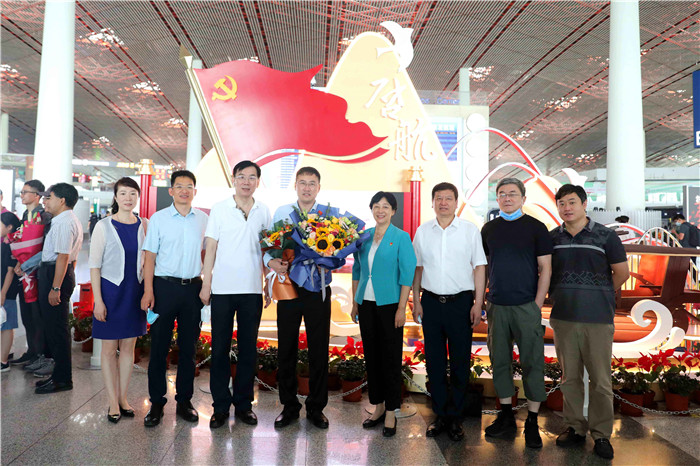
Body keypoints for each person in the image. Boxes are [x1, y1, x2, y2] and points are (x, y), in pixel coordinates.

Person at [550, 184, 629, 460]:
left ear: (584, 204)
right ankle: (575, 428)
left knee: (600, 380)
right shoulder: (552, 238)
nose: (567, 208)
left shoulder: (606, 236)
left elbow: (621, 273)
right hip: (563, 317)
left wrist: (600, 293)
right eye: (562, 203)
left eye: (572, 202)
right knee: (569, 377)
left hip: (597, 318)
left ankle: (601, 434)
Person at [479, 178, 552, 449]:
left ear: (523, 198)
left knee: (533, 362)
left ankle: (532, 420)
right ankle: (507, 416)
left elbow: (545, 268)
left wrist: (536, 304)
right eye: (502, 194)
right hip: (497, 305)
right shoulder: (489, 229)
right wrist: (481, 300)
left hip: (526, 306)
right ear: (497, 199)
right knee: (500, 361)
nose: (507, 198)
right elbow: (483, 267)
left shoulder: (536, 228)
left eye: (512, 193)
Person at [411, 182, 487, 441]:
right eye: (439, 198)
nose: (443, 203)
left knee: (459, 362)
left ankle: (455, 418)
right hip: (431, 302)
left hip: (461, 303)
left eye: (448, 198)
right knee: (434, 362)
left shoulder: (469, 230)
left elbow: (479, 267)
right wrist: (416, 300)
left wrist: (478, 303)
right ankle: (440, 414)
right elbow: (417, 268)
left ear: (456, 202)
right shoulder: (423, 231)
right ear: (432, 202)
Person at [265, 166, 339, 429]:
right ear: (295, 185)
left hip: (318, 287)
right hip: (289, 285)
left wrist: (329, 258)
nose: (307, 187)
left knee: (319, 347)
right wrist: (272, 261)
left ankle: (316, 408)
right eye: (303, 182)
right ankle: (289, 406)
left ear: (319, 187)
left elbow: (337, 250)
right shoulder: (282, 212)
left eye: (312, 183)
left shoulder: (328, 216)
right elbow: (269, 245)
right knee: (286, 347)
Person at [200, 161, 271, 429]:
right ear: (234, 179)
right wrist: (206, 283)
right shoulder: (220, 209)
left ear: (258, 182)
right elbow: (211, 247)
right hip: (223, 290)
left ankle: (243, 405)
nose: (246, 182)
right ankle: (220, 407)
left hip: (251, 290)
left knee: (248, 349)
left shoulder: (264, 211)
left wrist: (267, 282)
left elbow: (268, 249)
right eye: (242, 176)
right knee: (219, 348)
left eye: (252, 177)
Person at [141, 170, 208, 427]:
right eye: (179, 186)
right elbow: (149, 257)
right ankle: (156, 403)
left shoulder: (203, 220)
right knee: (159, 348)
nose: (184, 191)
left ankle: (184, 401)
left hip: (192, 289)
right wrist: (148, 291)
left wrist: (207, 283)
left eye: (189, 186)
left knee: (188, 349)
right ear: (171, 191)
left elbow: (208, 254)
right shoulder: (159, 219)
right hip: (164, 288)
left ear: (195, 191)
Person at [351, 192, 416, 437]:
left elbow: (407, 274)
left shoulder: (401, 237)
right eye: (376, 206)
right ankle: (377, 406)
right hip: (365, 303)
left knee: (390, 357)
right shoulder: (364, 236)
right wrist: (355, 302)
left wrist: (401, 308)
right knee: (372, 356)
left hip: (390, 305)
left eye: (386, 206)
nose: (381, 210)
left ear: (393, 211)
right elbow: (358, 270)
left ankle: (391, 411)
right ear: (371, 209)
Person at [89, 177, 148, 423]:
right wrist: (98, 301)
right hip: (110, 294)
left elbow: (150, 261)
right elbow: (94, 266)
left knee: (128, 348)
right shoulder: (103, 226)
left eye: (132, 193)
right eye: (123, 193)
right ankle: (112, 401)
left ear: (138, 197)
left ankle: (123, 399)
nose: (128, 198)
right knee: (108, 349)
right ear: (115, 197)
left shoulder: (145, 224)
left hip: (135, 293)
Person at [35, 183, 83, 394]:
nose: (45, 201)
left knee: (57, 330)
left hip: (56, 274)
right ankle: (58, 376)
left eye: (49, 197)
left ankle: (63, 379)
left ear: (62, 200)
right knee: (54, 328)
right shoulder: (64, 220)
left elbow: (63, 257)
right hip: (58, 273)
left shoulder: (64, 222)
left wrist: (56, 287)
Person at [10, 180, 52, 372]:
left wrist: (26, 263)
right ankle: (31, 350)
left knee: (37, 316)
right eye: (21, 192)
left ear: (37, 196)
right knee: (27, 315)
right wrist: (20, 261)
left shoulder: (44, 216)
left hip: (37, 273)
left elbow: (44, 247)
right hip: (24, 272)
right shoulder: (25, 216)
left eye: (25, 192)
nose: (22, 195)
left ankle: (40, 354)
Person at [1, 212, 22, 372]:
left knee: (7, 325)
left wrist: (3, 293)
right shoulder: (4, 243)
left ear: (9, 227)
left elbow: (10, 272)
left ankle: (3, 361)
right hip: (3, 289)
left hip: (6, 291)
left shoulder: (11, 245)